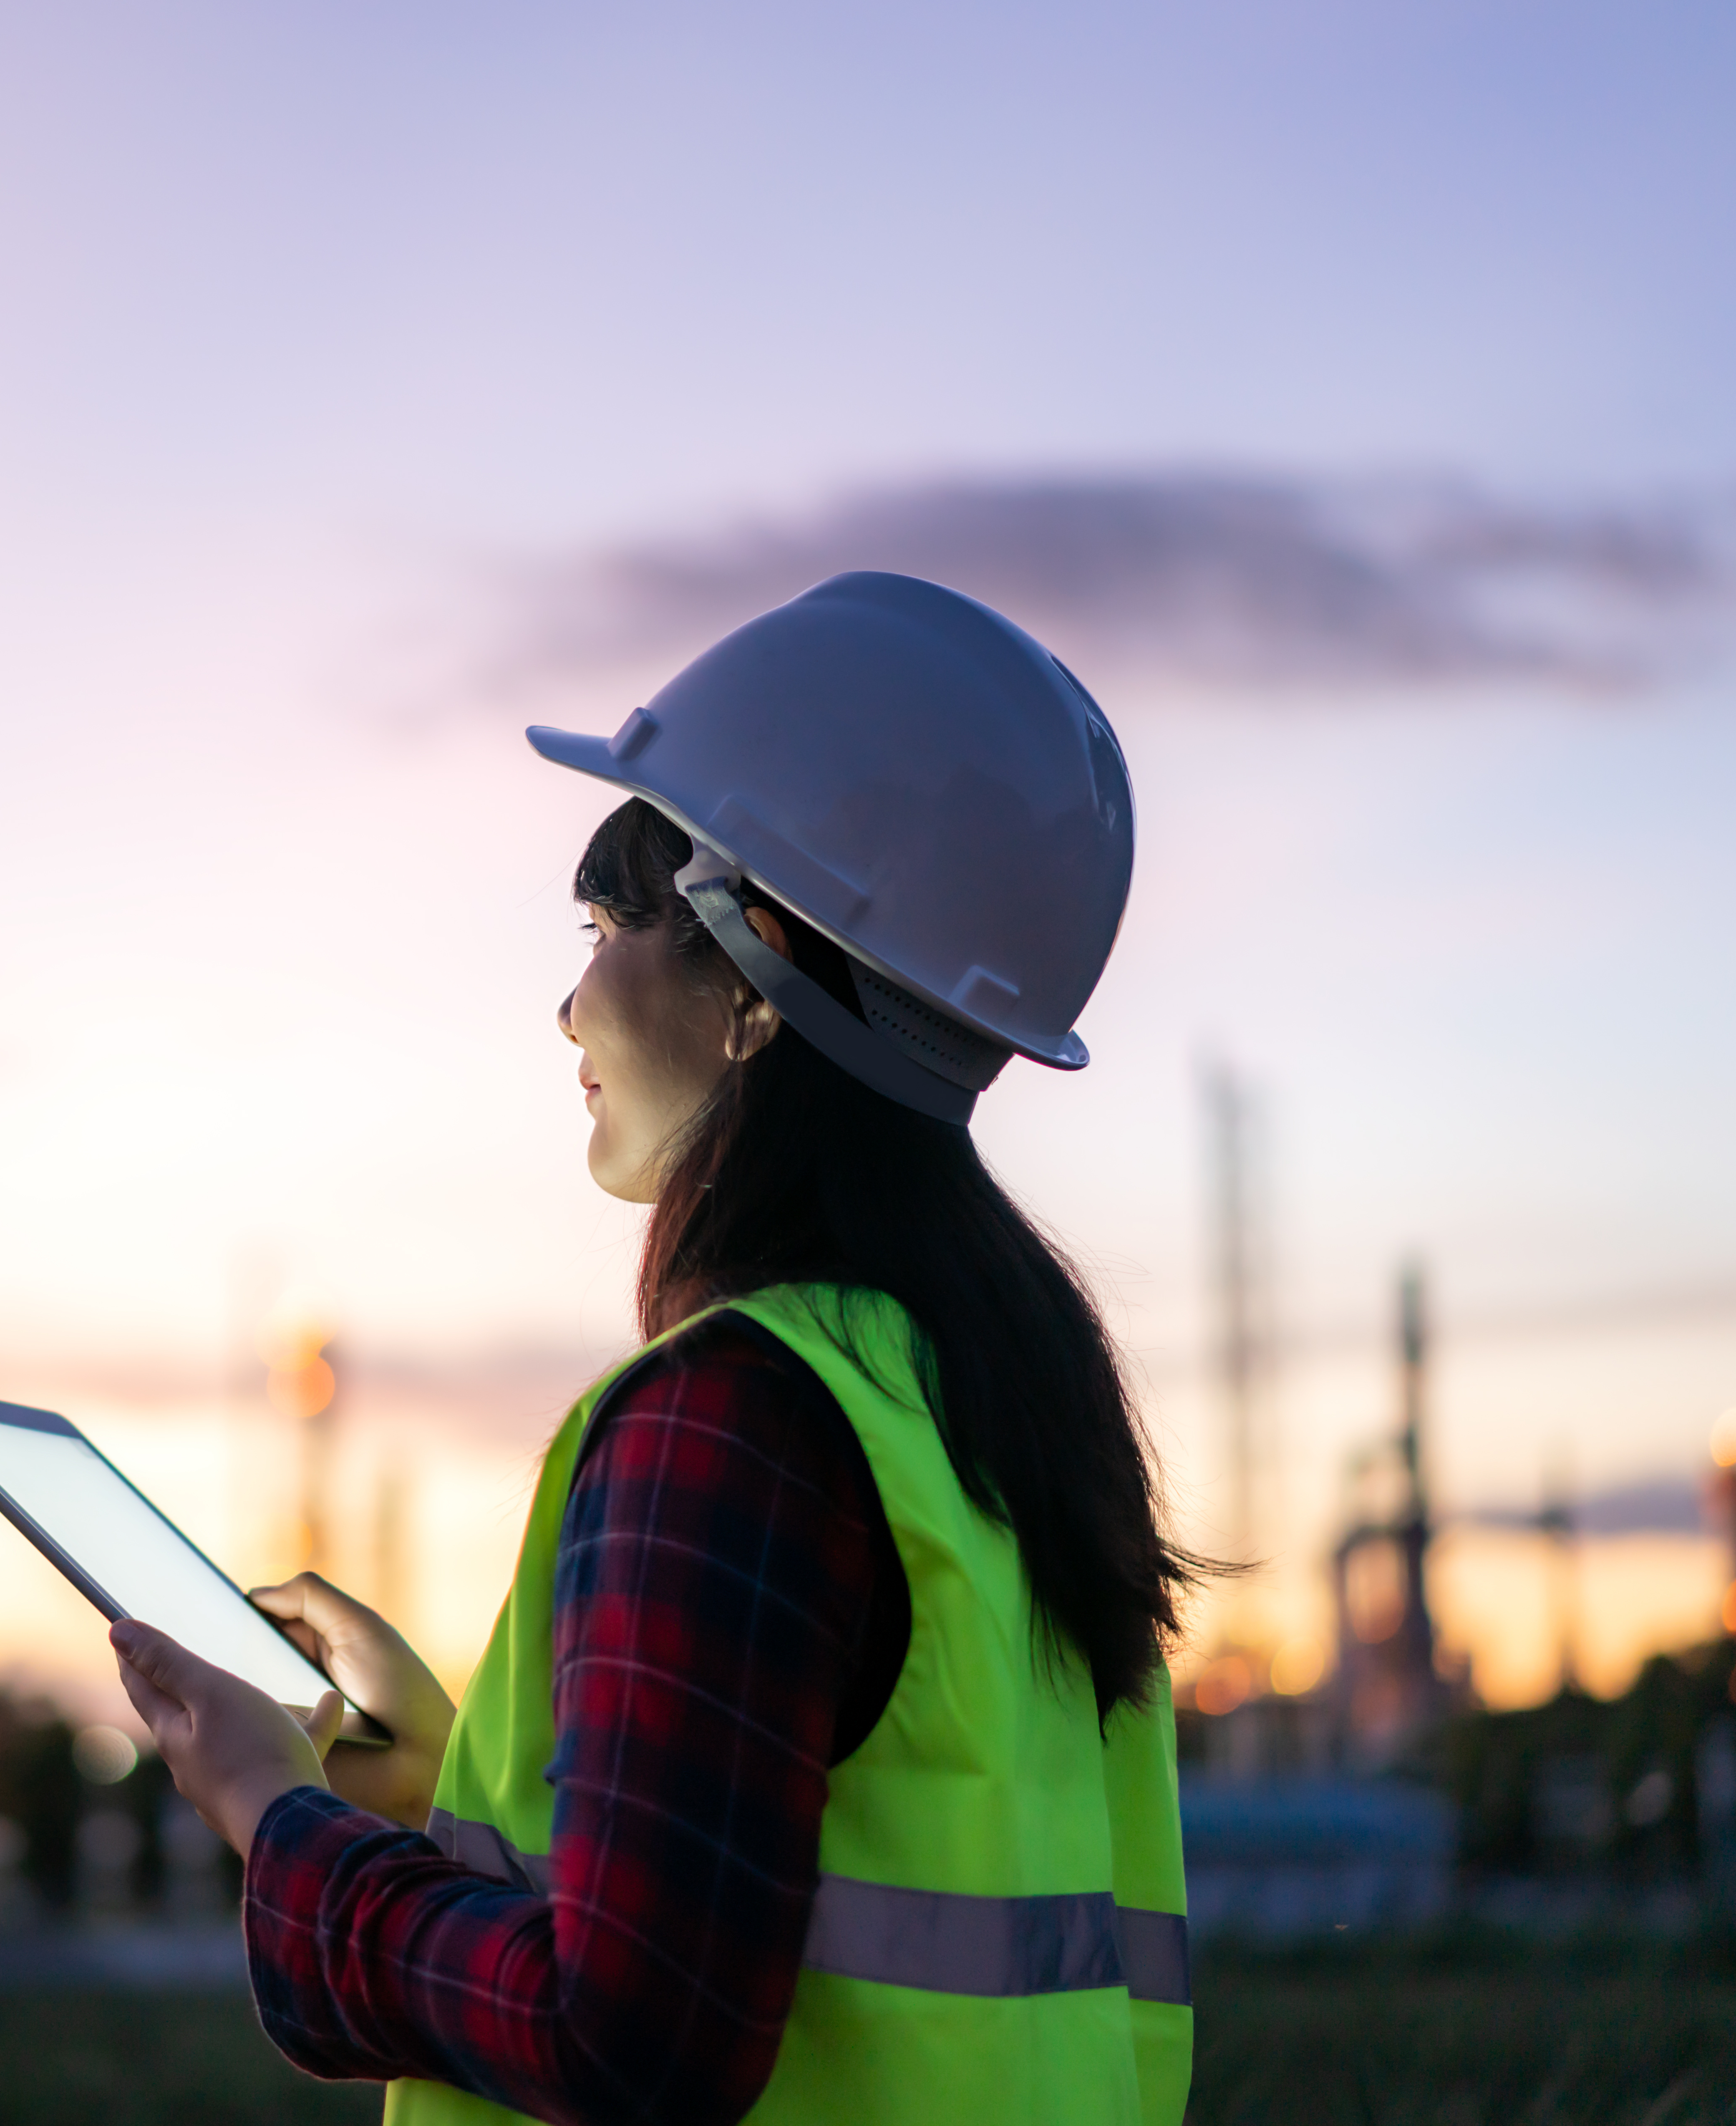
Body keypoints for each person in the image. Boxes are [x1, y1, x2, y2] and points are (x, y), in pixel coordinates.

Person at [113, 570, 1202, 2126]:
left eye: (610, 923)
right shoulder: (985, 1406)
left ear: (754, 965)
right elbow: (810, 1908)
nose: (569, 1006)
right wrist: (435, 1782)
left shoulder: (731, 1418)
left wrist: (268, 1808)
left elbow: (631, 2033)